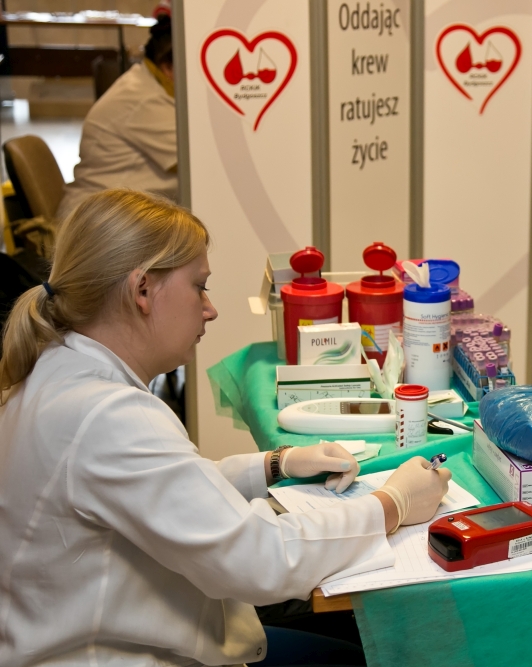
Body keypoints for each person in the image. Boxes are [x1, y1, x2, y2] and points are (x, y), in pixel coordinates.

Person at [0, 190, 452, 666]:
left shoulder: (56, 370)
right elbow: (263, 561)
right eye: (199, 286)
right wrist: (393, 504)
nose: (210, 309)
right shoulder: (111, 416)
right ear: (142, 290)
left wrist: (275, 464)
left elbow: (163, 486)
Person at [56, 17, 179, 221]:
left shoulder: (146, 82)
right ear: (169, 67)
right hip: (99, 225)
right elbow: (195, 160)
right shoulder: (143, 98)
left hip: (115, 218)